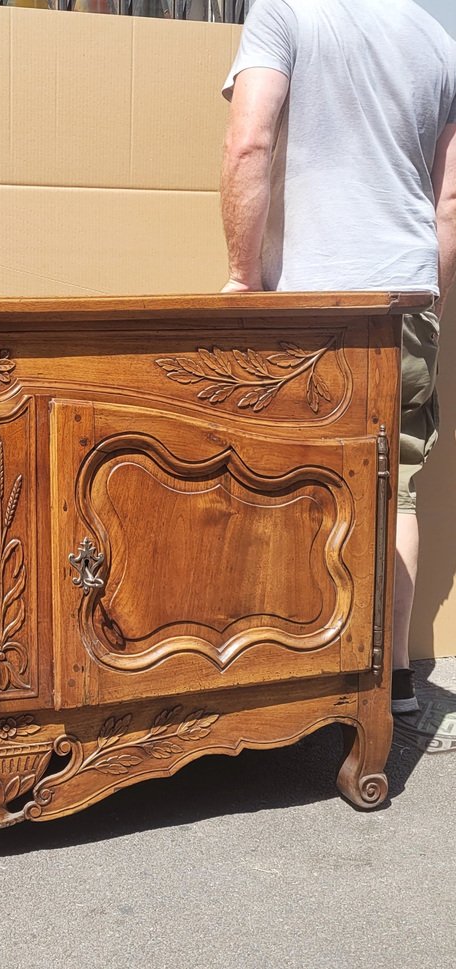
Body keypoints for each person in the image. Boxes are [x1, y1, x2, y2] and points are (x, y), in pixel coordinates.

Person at [219, 0, 456, 715]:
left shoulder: (284, 13)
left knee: (278, 485)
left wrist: (241, 277)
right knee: (396, 491)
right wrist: (431, 299)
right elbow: (450, 201)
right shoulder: (437, 39)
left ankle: (283, 688)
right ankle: (392, 689)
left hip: (305, 307)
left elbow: (248, 143)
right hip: (403, 294)